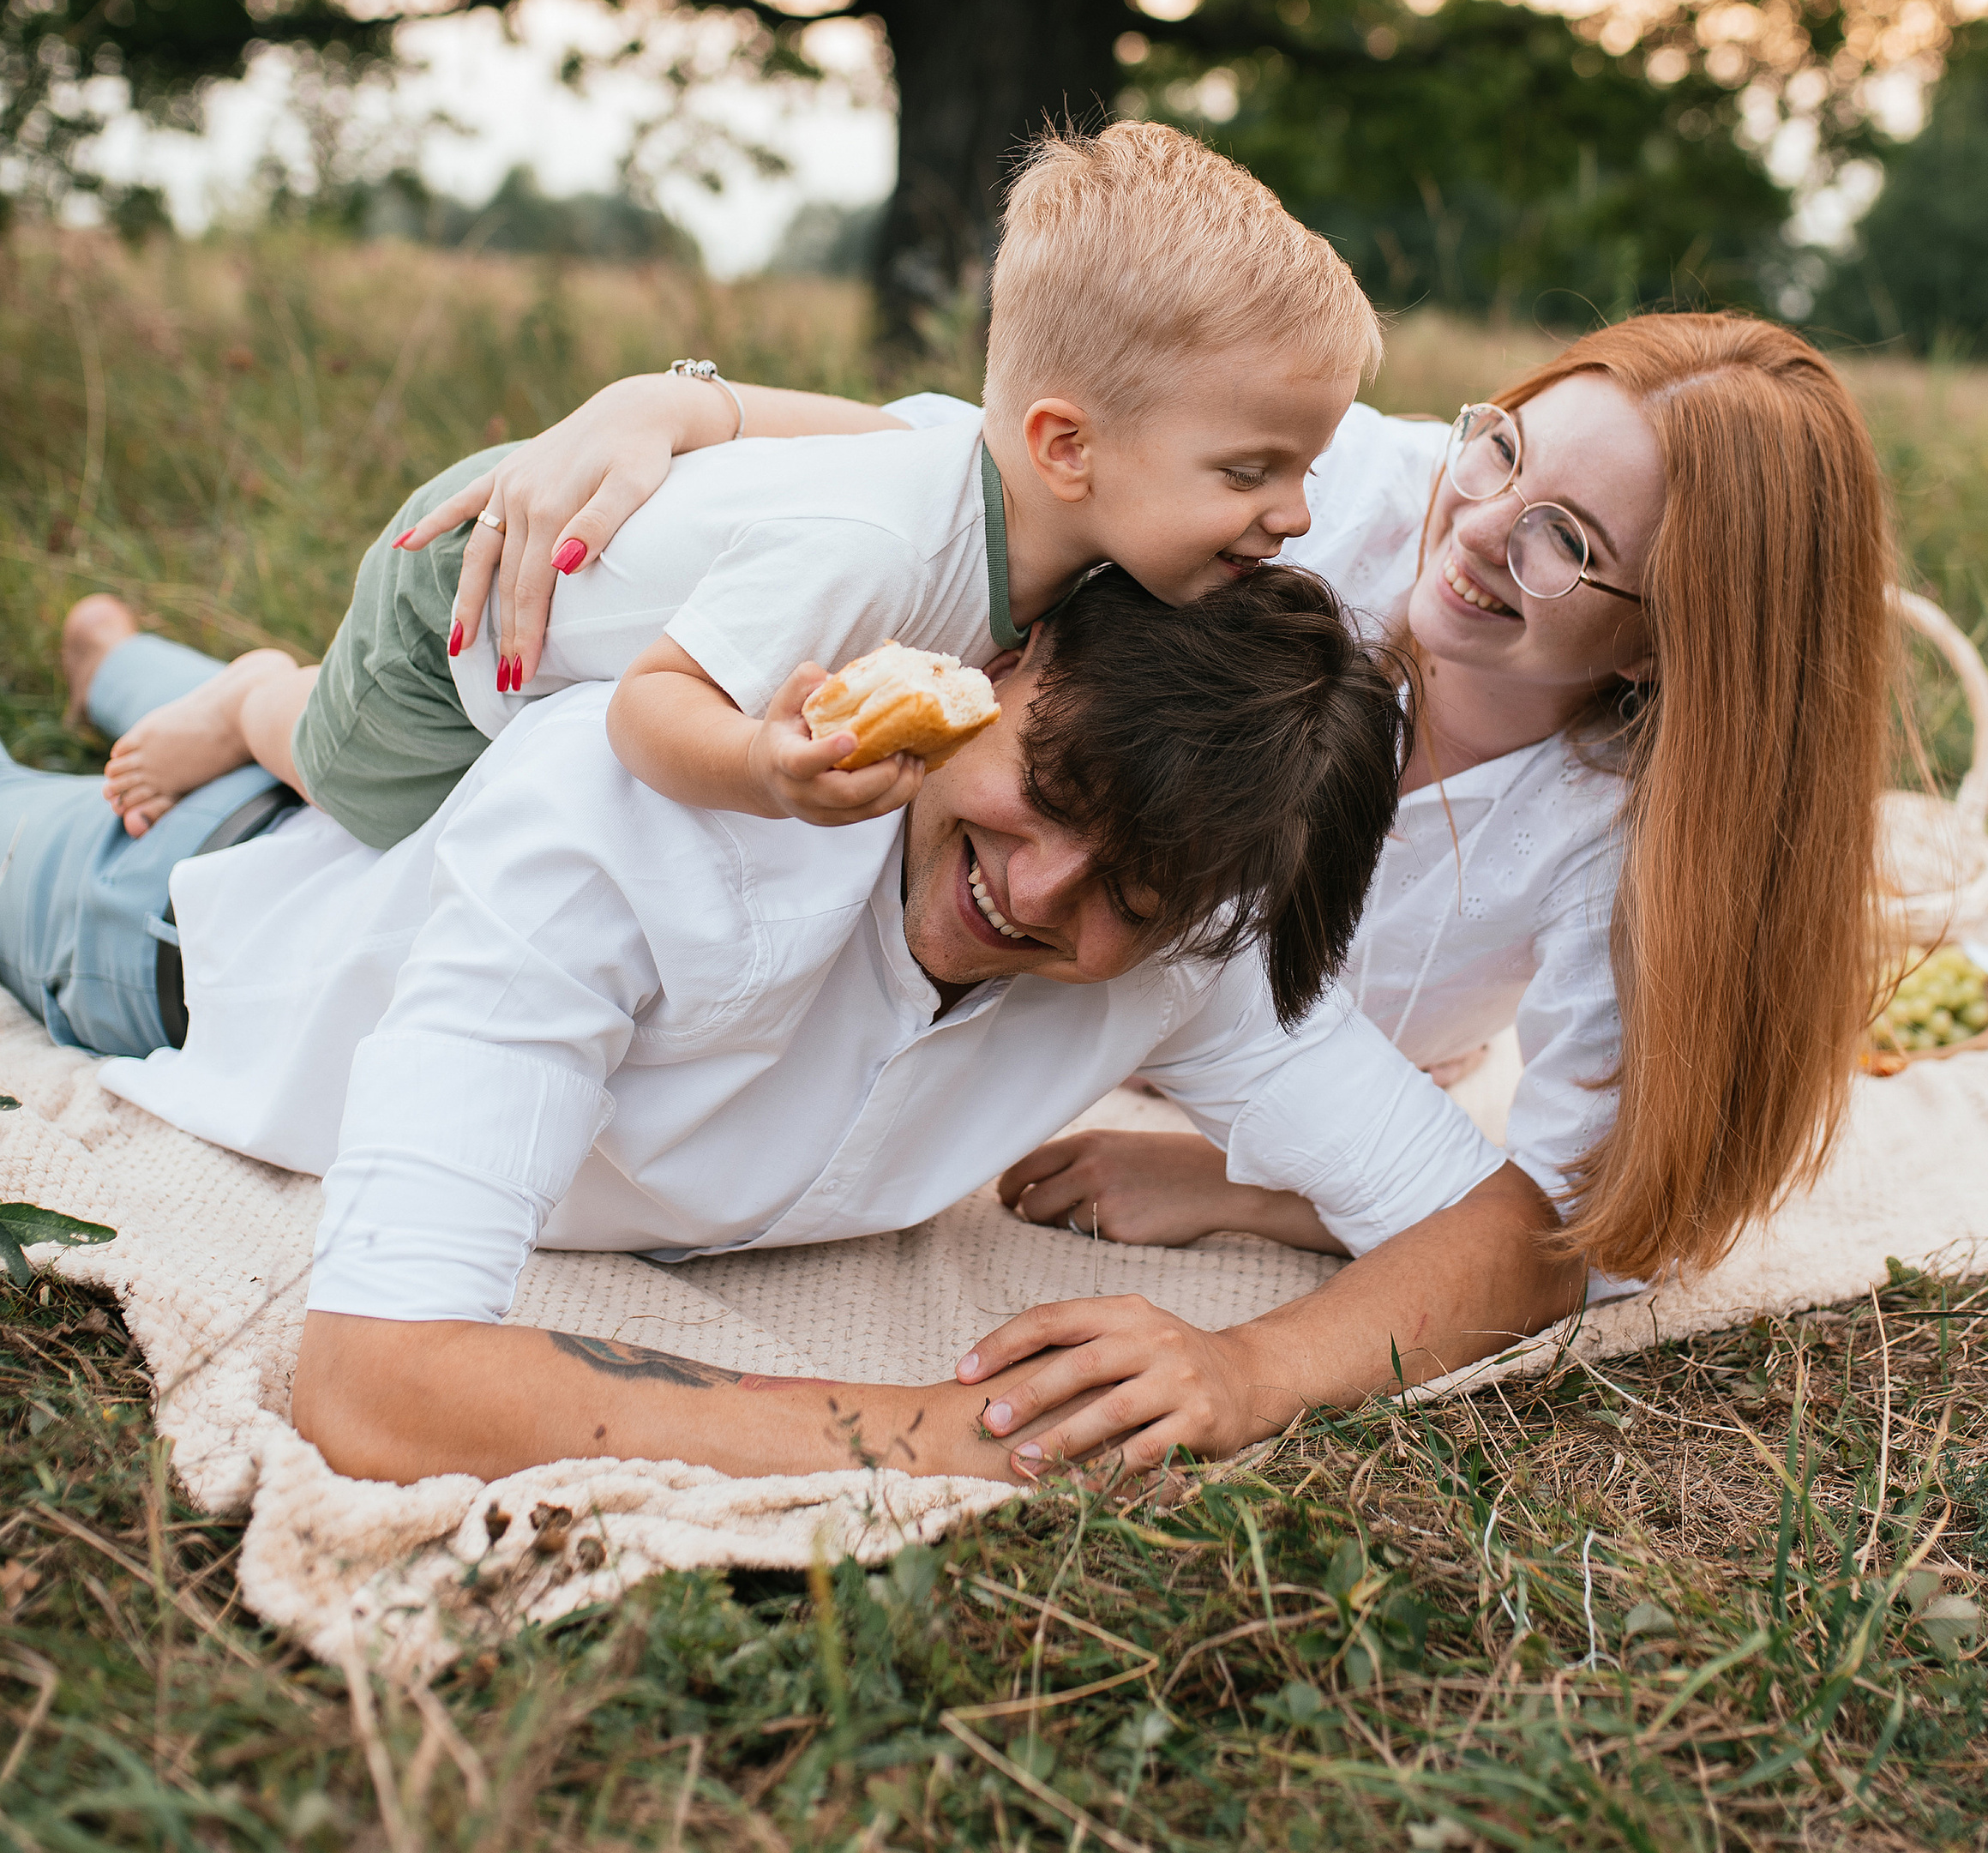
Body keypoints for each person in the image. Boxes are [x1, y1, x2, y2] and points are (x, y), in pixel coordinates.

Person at [1, 567, 1581, 1489]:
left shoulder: (1190, 954)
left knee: (255, 731)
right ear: (999, 670)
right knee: (105, 812)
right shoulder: (632, 833)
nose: (1041, 893)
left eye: (1138, 892)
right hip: (167, 921)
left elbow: (1529, 1242)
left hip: (378, 854)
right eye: (1052, 795)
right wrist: (934, 1435)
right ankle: (194, 694)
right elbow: (375, 1382)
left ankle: (139, 662)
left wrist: (1248, 1372)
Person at [433, 311, 1896, 1302]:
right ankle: (255, 707)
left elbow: (1594, 1234)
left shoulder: (1634, 840)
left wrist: (1247, 1193)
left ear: (1670, 640)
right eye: (1503, 450)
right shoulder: (1356, 499)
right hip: (1064, 959)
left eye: (1568, 542)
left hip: (1284, 1061)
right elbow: (1005, 476)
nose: (1483, 531)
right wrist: (687, 401)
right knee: (426, 775)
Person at [95, 124, 1380, 849]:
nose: (1297, 513)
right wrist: (764, 768)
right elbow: (649, 708)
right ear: (1066, 446)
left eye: (1306, 467)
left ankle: (166, 673)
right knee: (378, 808)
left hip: (587, 546)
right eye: (1252, 471)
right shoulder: (876, 553)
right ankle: (257, 700)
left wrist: (689, 400)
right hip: (471, 604)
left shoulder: (996, 479)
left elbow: (867, 422)